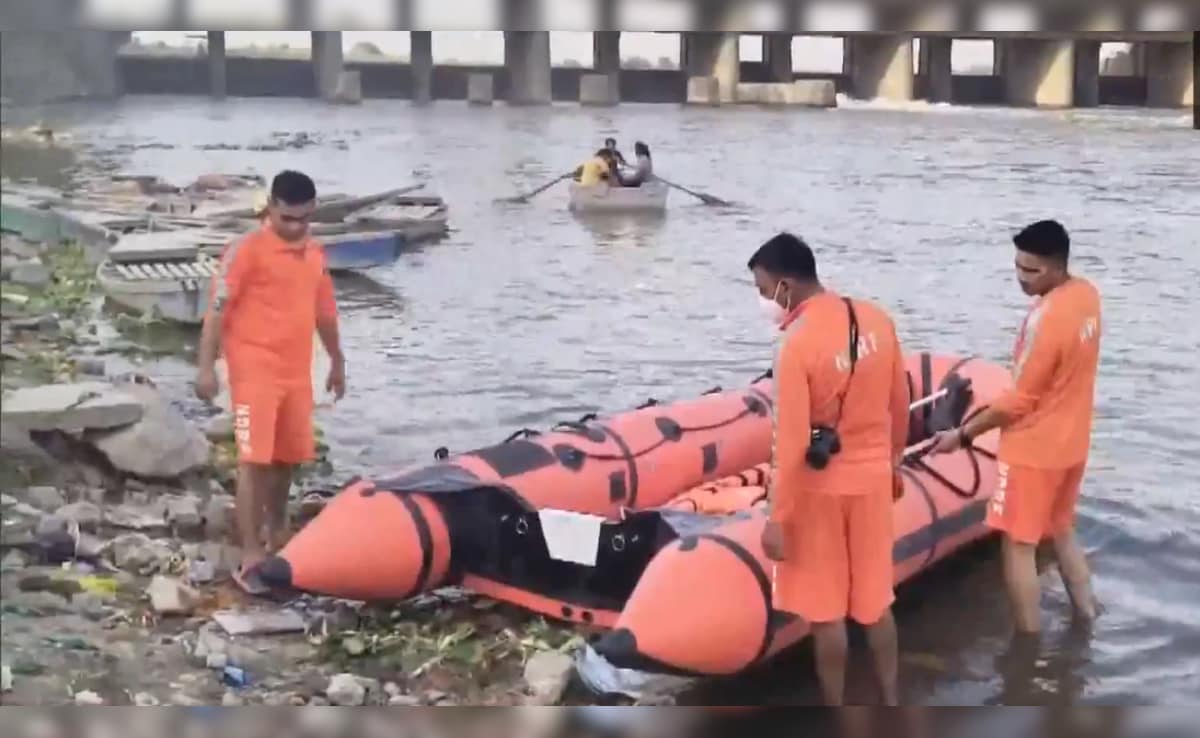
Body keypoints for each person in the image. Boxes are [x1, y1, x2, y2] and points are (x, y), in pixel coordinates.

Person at [751, 232, 909, 706]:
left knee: (827, 617)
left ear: (786, 285)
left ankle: (836, 710)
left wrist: (778, 518)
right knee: (877, 606)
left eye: (763, 290)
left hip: (821, 493)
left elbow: (793, 443)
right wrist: (895, 464)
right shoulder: (877, 320)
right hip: (873, 482)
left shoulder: (795, 347)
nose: (763, 301)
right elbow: (899, 406)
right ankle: (891, 698)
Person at [929, 219, 1100, 634]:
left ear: (1057, 266)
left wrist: (964, 434)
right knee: (1061, 529)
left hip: (1033, 451)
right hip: (1072, 444)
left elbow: (1021, 400)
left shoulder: (1047, 320)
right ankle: (1088, 615)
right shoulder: (1087, 297)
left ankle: (1027, 641)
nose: (1022, 279)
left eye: (1032, 271)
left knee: (1019, 545)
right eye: (1018, 268)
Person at [195, 169, 347, 595]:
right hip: (253, 370)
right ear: (271, 209)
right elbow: (217, 312)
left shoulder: (315, 254)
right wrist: (206, 368)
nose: (296, 228)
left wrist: (337, 362)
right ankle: (249, 551)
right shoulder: (246, 250)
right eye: (287, 219)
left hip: (296, 371)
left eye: (304, 219)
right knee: (254, 460)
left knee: (288, 458)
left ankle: (277, 531)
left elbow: (325, 314)